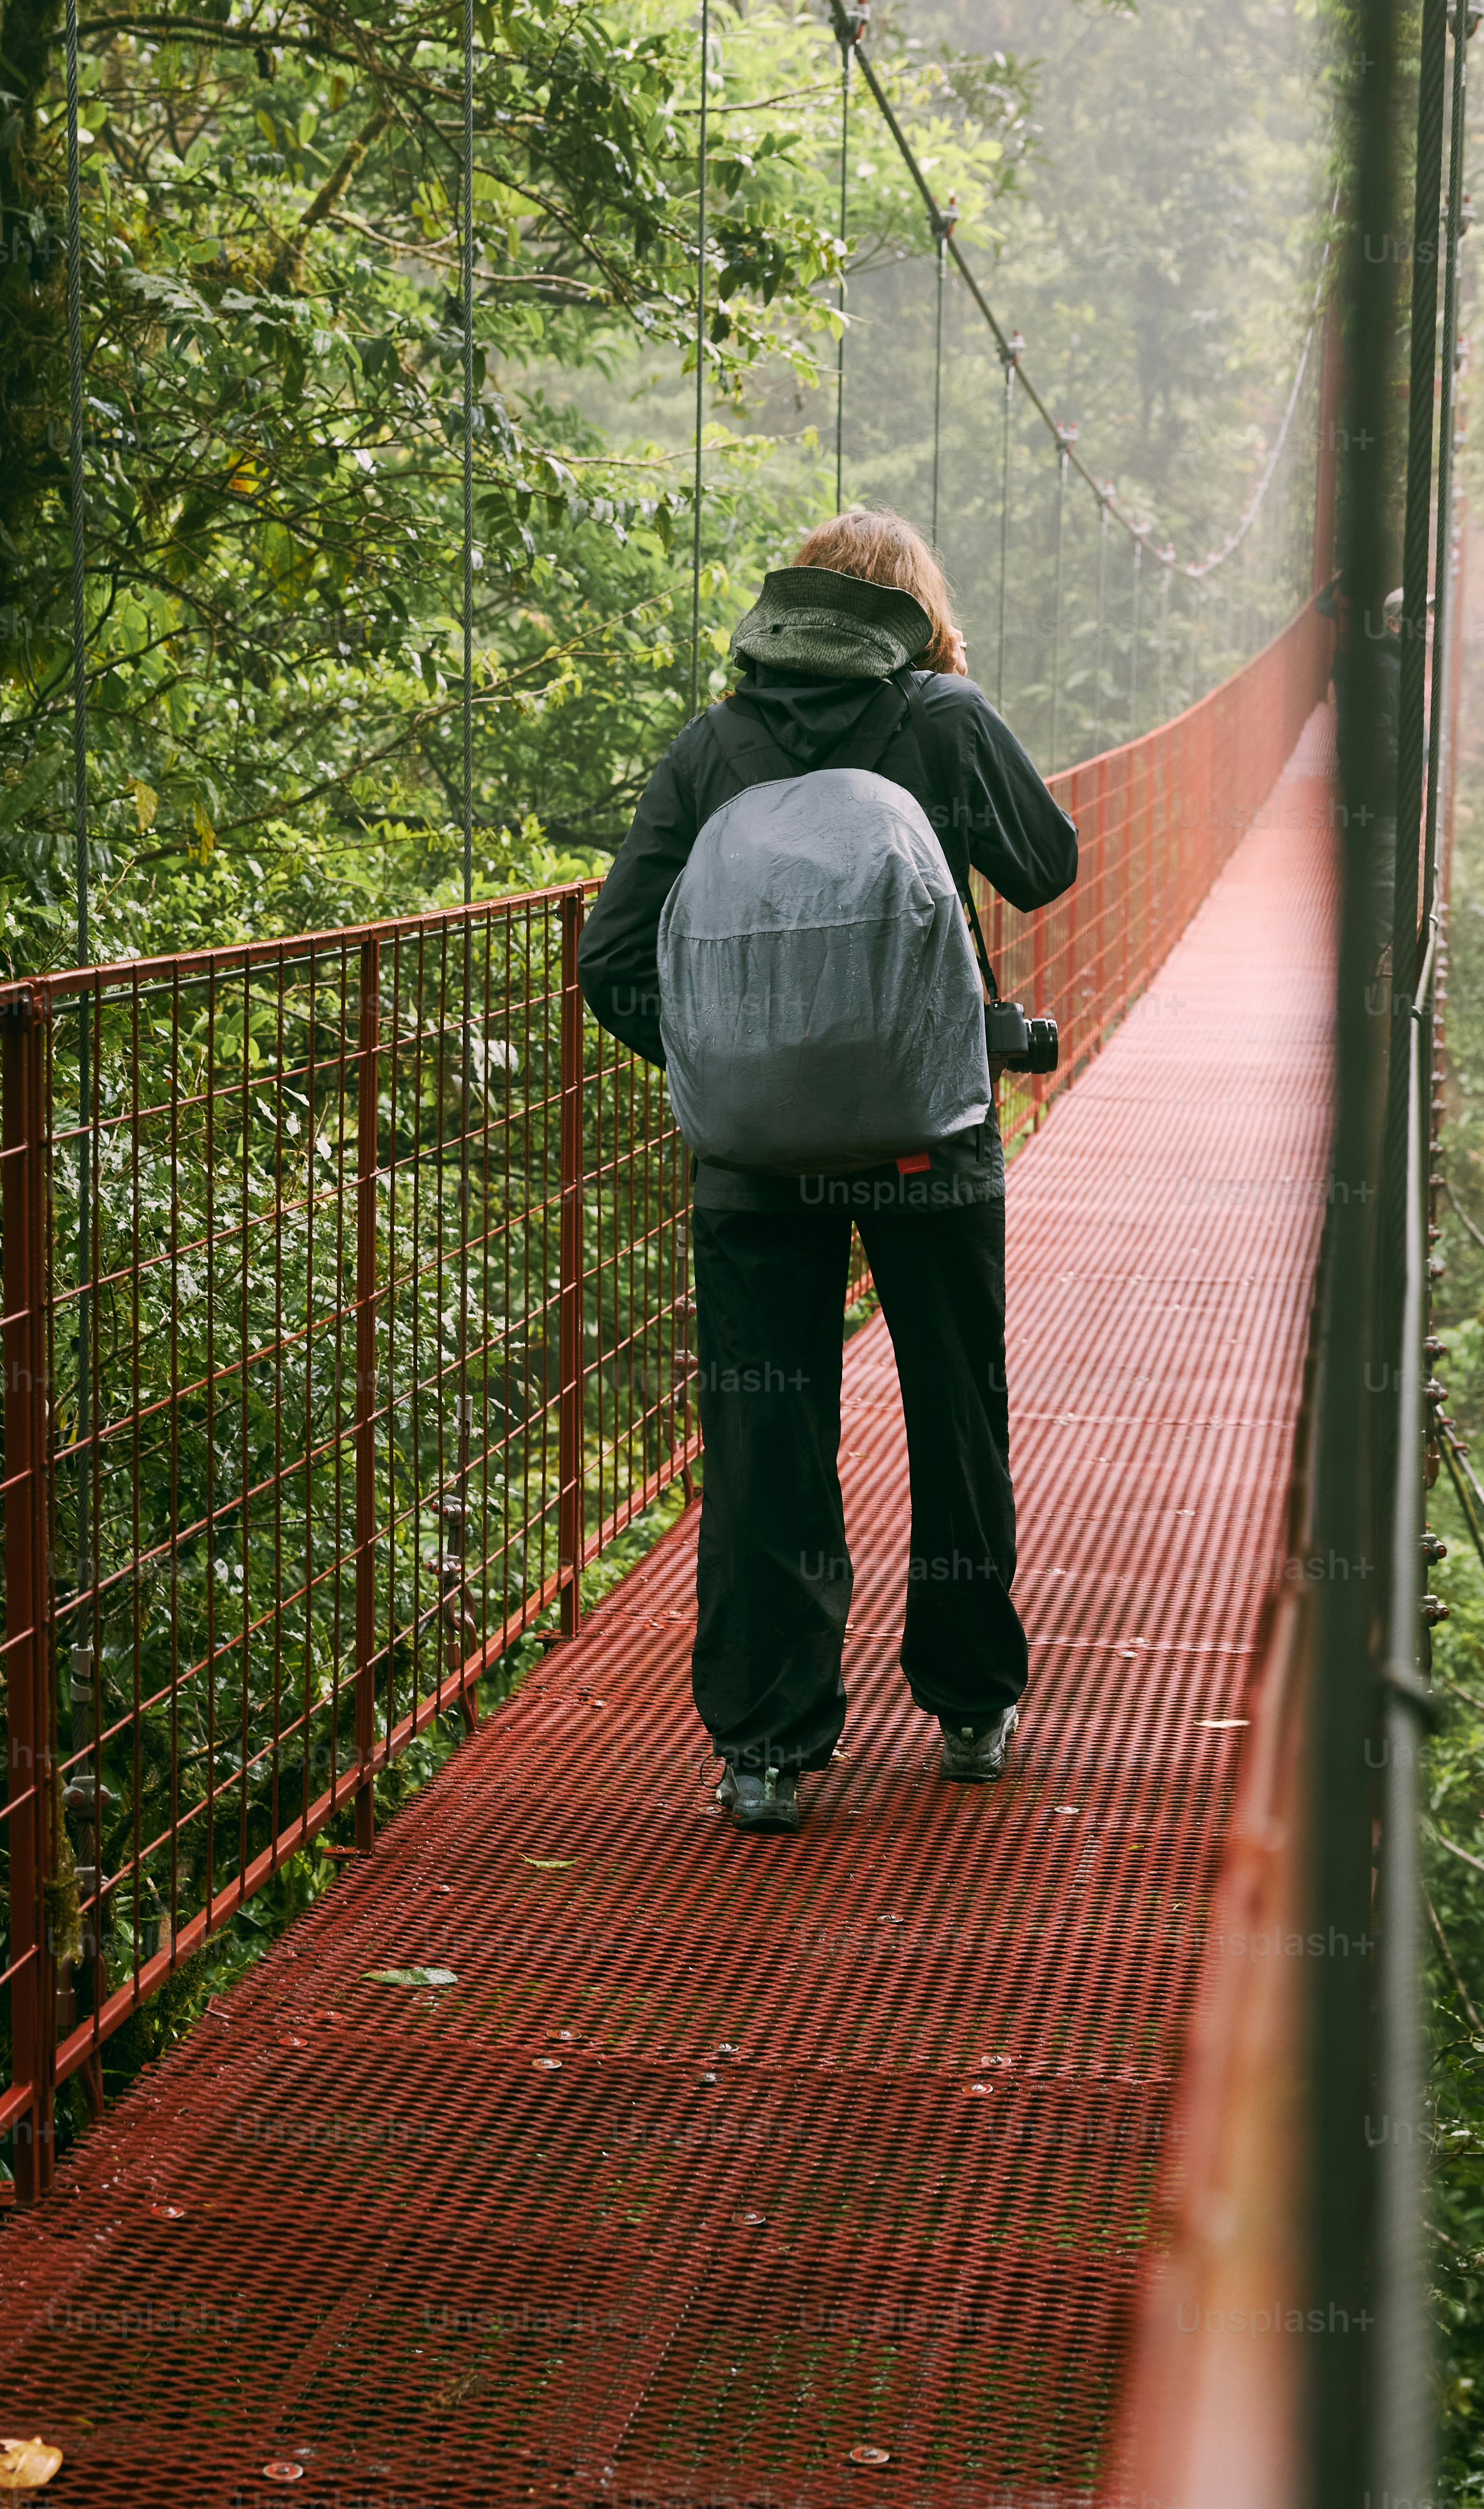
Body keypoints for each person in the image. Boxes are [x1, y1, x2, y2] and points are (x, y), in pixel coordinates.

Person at [580, 510, 1079, 1835]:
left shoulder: (712, 747)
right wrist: (957, 728)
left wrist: (730, 1074)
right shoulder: (944, 721)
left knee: (763, 1431)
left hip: (753, 1160)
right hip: (929, 1135)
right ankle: (969, 1703)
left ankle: (765, 1744)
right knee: (951, 1411)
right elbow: (1049, 864)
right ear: (913, 615)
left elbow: (611, 964)